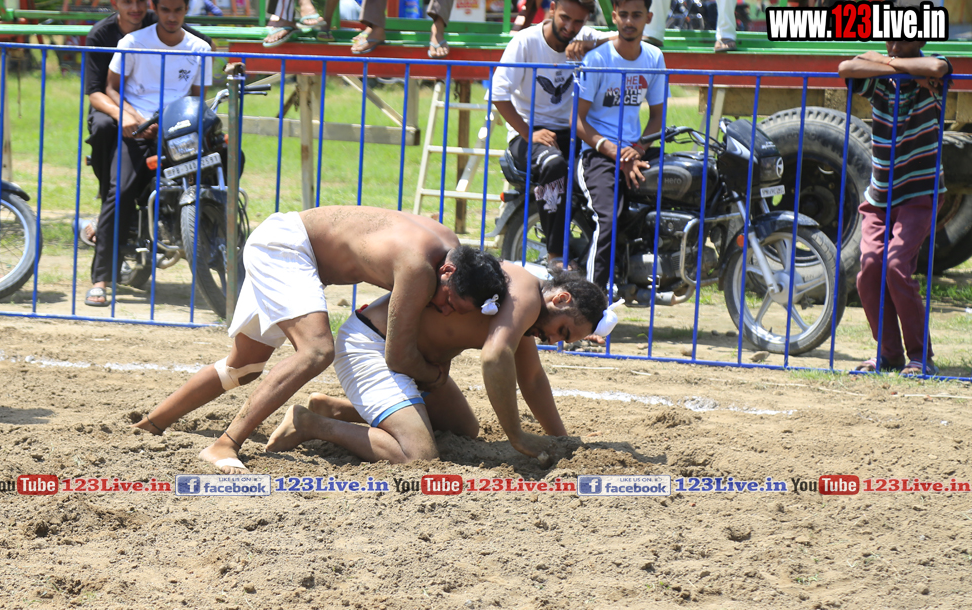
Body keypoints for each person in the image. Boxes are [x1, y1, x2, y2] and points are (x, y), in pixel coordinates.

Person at [132, 207, 509, 472]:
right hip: (286, 249)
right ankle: (224, 445)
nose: (444, 310)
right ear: (448, 271)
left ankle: (151, 423)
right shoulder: (418, 269)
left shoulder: (447, 249)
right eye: (448, 301)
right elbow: (397, 356)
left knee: (242, 367)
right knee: (316, 351)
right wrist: (435, 376)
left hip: (287, 244)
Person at [265, 267, 612, 464]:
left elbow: (532, 378)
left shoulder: (527, 314)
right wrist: (517, 437)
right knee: (417, 457)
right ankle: (310, 423)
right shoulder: (526, 295)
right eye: (562, 331)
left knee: (463, 429)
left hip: (416, 364)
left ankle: (334, 409)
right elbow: (495, 358)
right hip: (372, 344)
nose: (553, 340)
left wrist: (561, 441)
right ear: (560, 298)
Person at [839, 27, 950, 377]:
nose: (893, 45)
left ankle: (920, 356)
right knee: (870, 269)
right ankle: (888, 354)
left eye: (902, 39)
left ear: (921, 40)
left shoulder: (931, 82)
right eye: (889, 39)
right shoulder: (883, 82)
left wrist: (890, 63)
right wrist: (893, 63)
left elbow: (937, 67)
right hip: (880, 195)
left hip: (920, 191)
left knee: (897, 266)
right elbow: (846, 67)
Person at [85, 0, 211, 307]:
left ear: (186, 10)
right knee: (120, 191)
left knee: (218, 170)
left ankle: (222, 261)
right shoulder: (130, 42)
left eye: (178, 10)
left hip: (178, 129)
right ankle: (101, 278)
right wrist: (135, 119)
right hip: (137, 128)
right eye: (165, 10)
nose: (171, 16)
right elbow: (110, 88)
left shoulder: (200, 48)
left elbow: (197, 98)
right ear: (157, 8)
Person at [492, 0, 612, 275]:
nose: (570, 27)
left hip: (572, 131)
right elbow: (498, 93)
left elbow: (630, 36)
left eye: (578, 22)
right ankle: (555, 254)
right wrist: (528, 132)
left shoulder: (584, 37)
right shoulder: (525, 42)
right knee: (554, 165)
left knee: (607, 164)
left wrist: (591, 44)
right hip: (528, 133)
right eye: (565, 18)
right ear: (553, 8)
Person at [574, 0, 666, 297]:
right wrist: (614, 151)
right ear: (614, 16)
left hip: (635, 150)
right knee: (608, 219)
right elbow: (577, 120)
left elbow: (657, 116)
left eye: (636, 15)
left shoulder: (654, 57)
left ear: (648, 18)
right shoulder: (597, 59)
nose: (629, 21)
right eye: (623, 15)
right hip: (597, 152)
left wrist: (638, 148)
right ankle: (592, 303)